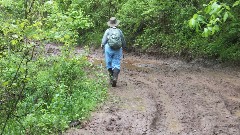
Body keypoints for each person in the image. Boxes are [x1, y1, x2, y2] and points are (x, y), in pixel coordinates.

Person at [101, 17, 126, 87]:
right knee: (116, 63)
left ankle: (111, 79)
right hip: (118, 49)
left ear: (110, 24)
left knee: (108, 63)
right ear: (116, 23)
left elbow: (103, 41)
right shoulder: (119, 31)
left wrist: (102, 46)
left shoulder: (108, 31)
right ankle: (115, 77)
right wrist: (124, 47)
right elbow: (123, 41)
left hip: (108, 48)